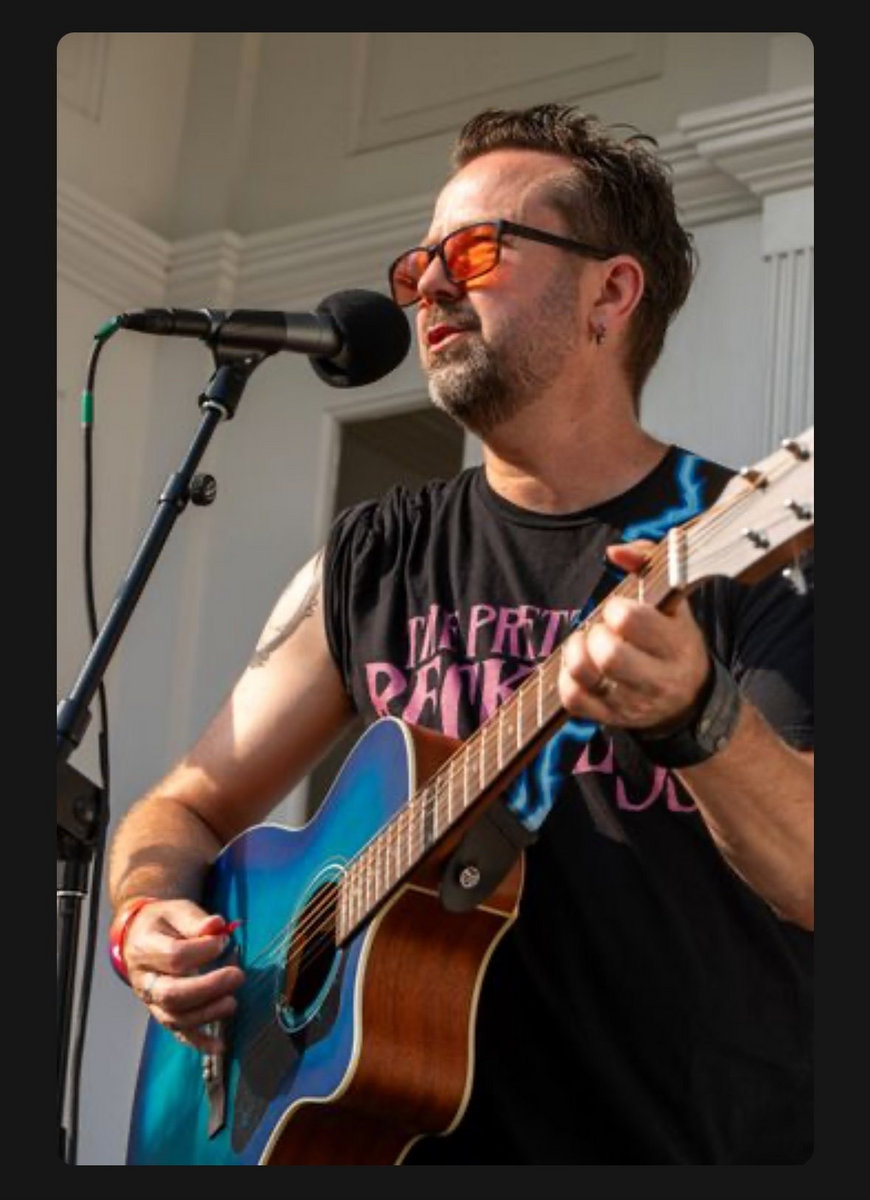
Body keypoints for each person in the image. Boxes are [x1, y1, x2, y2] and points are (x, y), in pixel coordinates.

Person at [107, 103, 813, 1165]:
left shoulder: (749, 549)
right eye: (418, 263)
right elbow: (188, 807)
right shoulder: (372, 556)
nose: (430, 284)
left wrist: (697, 715)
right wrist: (146, 916)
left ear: (611, 293)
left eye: (477, 250)